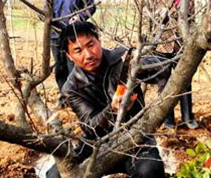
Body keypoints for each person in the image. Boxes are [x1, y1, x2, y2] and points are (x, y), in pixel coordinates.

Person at [45, 22, 165, 177]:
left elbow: (161, 69)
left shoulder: (122, 59)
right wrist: (112, 109)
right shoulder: (71, 88)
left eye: (91, 45)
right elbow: (90, 126)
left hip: (135, 138)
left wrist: (142, 65)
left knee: (150, 169)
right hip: (95, 144)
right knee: (55, 175)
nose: (88, 55)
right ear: (69, 56)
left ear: (99, 41)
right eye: (78, 50)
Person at [153, 0, 199, 129]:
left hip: (181, 45)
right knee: (164, 83)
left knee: (184, 81)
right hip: (162, 46)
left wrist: (193, 41)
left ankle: (188, 117)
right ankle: (168, 119)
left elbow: (192, 20)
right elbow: (150, 19)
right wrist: (161, 15)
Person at [50, 0, 97, 103]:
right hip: (55, 35)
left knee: (74, 67)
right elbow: (45, 11)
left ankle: (77, 97)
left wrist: (80, 17)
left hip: (74, 35)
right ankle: (64, 97)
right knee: (60, 67)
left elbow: (91, 7)